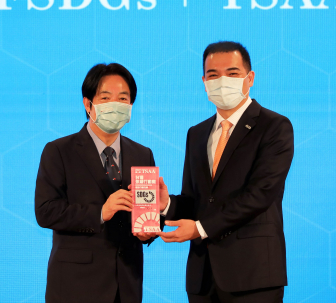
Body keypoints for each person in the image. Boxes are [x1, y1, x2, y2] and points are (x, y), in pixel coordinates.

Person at [159, 41, 294, 303]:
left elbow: (260, 194)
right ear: (204, 82)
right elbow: (196, 200)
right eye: (213, 75)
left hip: (253, 275)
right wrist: (167, 205)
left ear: (249, 78)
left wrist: (200, 229)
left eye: (232, 73)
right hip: (202, 277)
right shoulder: (196, 133)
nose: (222, 81)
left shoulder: (274, 126)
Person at [35, 63, 168, 303]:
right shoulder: (59, 151)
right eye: (106, 98)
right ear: (88, 104)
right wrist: (100, 213)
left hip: (126, 286)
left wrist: (149, 229)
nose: (115, 105)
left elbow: (147, 214)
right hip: (75, 286)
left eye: (123, 99)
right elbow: (46, 212)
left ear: (131, 106)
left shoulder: (142, 154)